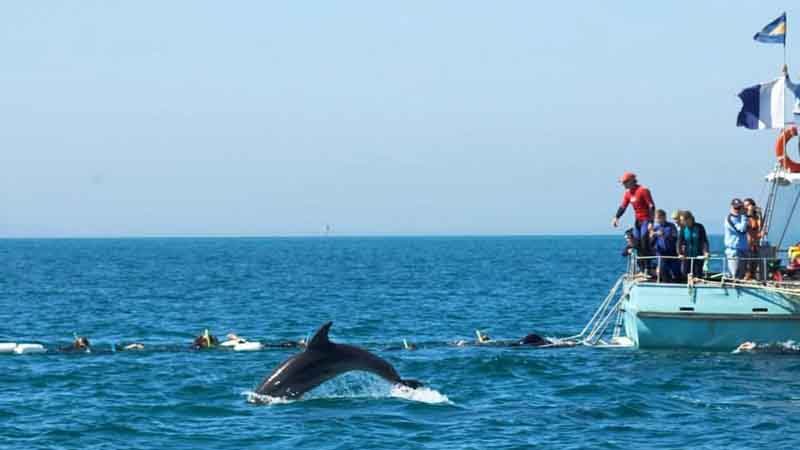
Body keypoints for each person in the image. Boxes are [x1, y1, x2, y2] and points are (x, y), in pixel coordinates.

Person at [612, 172, 655, 272]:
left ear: (632, 181)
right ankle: (642, 268)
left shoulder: (643, 191)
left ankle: (648, 267)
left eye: (625, 182)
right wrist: (616, 217)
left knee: (644, 242)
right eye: (623, 183)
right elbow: (623, 206)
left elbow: (651, 206)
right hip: (638, 221)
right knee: (636, 243)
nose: (624, 185)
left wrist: (651, 222)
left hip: (646, 220)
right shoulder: (628, 194)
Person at [649, 209, 681, 282]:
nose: (656, 220)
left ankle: (678, 283)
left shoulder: (671, 226)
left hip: (672, 253)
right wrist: (651, 236)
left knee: (676, 270)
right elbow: (651, 243)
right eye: (656, 218)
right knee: (663, 270)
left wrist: (664, 234)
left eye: (657, 218)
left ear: (663, 217)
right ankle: (665, 283)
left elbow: (675, 237)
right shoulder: (655, 228)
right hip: (661, 254)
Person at [677, 211, 710, 279]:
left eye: (682, 220)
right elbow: (679, 242)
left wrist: (706, 251)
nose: (681, 222)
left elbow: (704, 241)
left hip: (698, 256)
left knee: (698, 274)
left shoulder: (699, 227)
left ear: (689, 219)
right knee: (685, 274)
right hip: (687, 256)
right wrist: (680, 253)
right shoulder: (683, 228)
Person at [724, 198, 749, 279]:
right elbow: (741, 229)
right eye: (735, 208)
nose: (737, 210)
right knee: (735, 275)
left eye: (739, 208)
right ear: (731, 207)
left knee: (742, 275)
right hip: (734, 252)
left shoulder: (741, 218)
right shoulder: (729, 219)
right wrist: (745, 215)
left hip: (743, 250)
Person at [743, 198, 764, 280]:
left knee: (753, 271)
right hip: (746, 247)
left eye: (747, 205)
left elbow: (760, 227)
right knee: (747, 271)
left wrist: (759, 213)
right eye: (745, 206)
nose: (746, 207)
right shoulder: (744, 218)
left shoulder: (756, 218)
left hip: (755, 247)